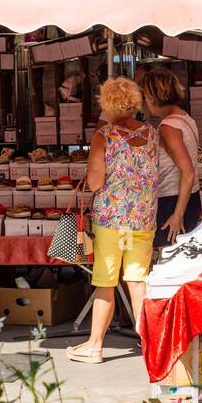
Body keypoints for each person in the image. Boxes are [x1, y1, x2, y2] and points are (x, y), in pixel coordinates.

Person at [68, 78, 157, 364]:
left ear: (106, 103)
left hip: (111, 220)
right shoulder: (151, 133)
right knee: (137, 281)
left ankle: (95, 345)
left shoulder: (103, 136)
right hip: (142, 219)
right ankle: (152, 345)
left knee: (105, 282)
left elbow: (95, 182)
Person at [137, 68, 201, 247]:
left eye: (146, 97)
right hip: (188, 197)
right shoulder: (185, 118)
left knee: (168, 258)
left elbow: (187, 172)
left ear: (155, 96)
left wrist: (177, 215)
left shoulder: (168, 127)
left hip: (172, 201)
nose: (146, 102)